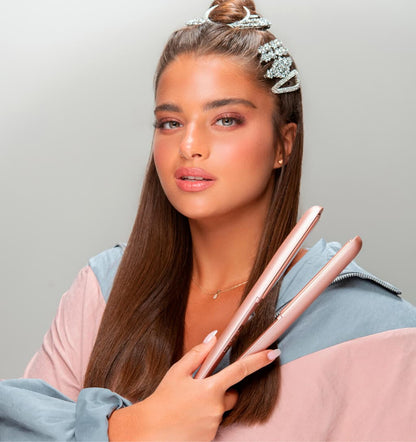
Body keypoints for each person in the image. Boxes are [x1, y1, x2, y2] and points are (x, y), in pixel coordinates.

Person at [1, 1, 416, 440]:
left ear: (284, 143)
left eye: (226, 120)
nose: (189, 145)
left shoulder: (369, 328)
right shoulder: (103, 291)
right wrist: (128, 430)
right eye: (170, 123)